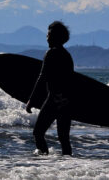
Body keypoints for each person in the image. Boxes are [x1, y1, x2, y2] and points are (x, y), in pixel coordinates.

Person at [26, 21, 74, 156]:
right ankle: (69, 166)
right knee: (64, 138)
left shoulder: (51, 53)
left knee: (38, 133)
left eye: (49, 35)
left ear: (55, 37)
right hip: (66, 101)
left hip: (53, 99)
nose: (47, 37)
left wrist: (31, 101)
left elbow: (42, 78)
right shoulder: (67, 55)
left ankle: (44, 163)